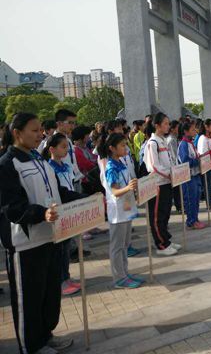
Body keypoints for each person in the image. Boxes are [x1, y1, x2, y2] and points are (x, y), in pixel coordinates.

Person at [0, 112, 80, 354]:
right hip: (25, 244)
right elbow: (12, 207)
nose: (40, 135)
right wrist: (41, 214)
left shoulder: (39, 159)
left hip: (51, 237)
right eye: (34, 130)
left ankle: (45, 335)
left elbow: (57, 192)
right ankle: (32, 346)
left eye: (40, 130)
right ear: (17, 133)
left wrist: (84, 199)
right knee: (29, 299)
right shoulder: (7, 164)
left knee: (48, 295)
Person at [99, 132, 145, 288]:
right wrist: (129, 187)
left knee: (125, 244)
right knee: (117, 246)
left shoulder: (120, 163)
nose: (126, 148)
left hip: (126, 208)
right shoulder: (111, 167)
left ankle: (124, 273)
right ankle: (119, 278)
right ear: (112, 148)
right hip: (117, 212)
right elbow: (114, 192)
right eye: (122, 145)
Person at [43, 133, 81, 297]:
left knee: (66, 248)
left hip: (69, 209)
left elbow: (70, 187)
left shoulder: (66, 166)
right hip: (58, 211)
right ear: (52, 149)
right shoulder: (48, 168)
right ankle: (60, 281)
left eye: (67, 146)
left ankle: (66, 277)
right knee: (59, 249)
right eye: (63, 147)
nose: (66, 150)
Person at [143, 112, 181, 256]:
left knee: (165, 213)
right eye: (165, 123)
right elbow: (154, 166)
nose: (168, 126)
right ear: (157, 125)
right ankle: (161, 244)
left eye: (168, 123)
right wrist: (170, 174)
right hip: (158, 183)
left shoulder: (163, 141)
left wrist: (175, 172)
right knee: (157, 215)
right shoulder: (152, 143)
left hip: (167, 182)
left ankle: (166, 240)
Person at [178, 120, 206, 230]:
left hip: (195, 174)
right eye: (192, 129)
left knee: (196, 198)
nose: (195, 131)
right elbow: (185, 161)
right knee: (190, 199)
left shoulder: (190, 143)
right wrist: (197, 161)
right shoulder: (183, 144)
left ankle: (195, 218)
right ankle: (191, 221)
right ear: (186, 131)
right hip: (188, 177)